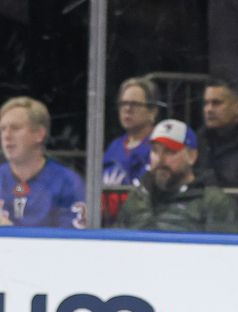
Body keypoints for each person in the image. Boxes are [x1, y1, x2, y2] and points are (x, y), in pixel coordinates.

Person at [115, 119, 238, 232]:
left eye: (170, 151)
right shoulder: (138, 196)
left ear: (192, 156)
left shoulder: (213, 202)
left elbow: (224, 252)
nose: (160, 159)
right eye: (155, 150)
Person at [0, 96, 85, 228]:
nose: (6, 135)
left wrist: (9, 233)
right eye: (3, 129)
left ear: (39, 134)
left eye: (15, 128)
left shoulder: (67, 183)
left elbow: (72, 243)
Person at [102, 76, 160, 189]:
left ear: (152, 111)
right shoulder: (114, 146)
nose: (127, 109)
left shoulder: (159, 146)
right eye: (123, 103)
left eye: (135, 104)